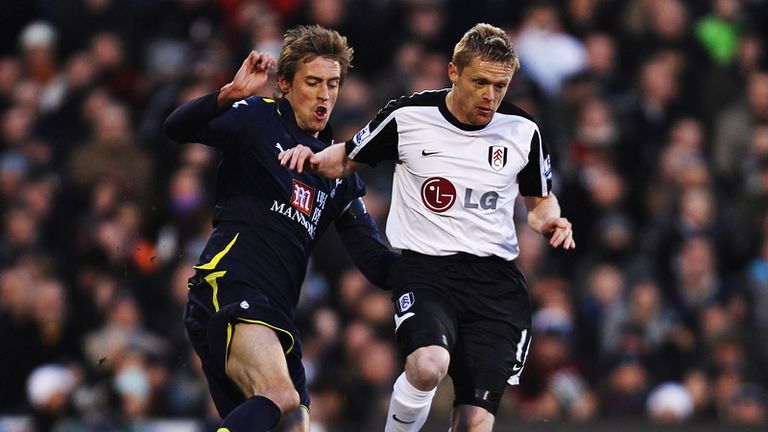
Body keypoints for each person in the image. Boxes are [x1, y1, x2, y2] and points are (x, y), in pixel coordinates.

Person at [279, 23, 575, 431]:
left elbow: (539, 202)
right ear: (453, 72)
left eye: (501, 86)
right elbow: (345, 158)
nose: (490, 96)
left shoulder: (523, 131)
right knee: (428, 365)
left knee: (473, 423)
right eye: (480, 82)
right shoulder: (408, 118)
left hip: (496, 285)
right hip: (427, 272)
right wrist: (306, 156)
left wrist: (552, 222)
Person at [164, 25, 397, 432]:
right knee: (281, 396)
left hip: (276, 313)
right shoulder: (258, 119)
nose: (324, 94)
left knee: (294, 421)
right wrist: (228, 95)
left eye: (333, 83)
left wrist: (442, 271)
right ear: (285, 84)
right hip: (229, 284)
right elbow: (177, 128)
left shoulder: (338, 169)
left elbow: (376, 264)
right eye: (313, 82)